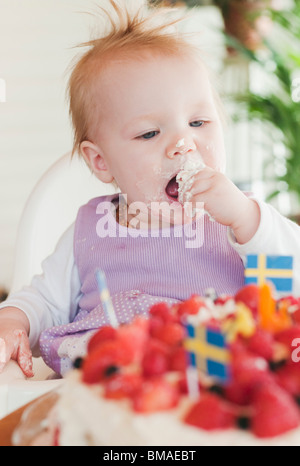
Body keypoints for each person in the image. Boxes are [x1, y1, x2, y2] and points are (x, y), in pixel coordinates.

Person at [0, 0, 300, 377]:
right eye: (149, 133)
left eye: (199, 121)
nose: (182, 143)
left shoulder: (243, 223)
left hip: (213, 384)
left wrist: (247, 218)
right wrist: (14, 321)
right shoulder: (89, 230)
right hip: (109, 388)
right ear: (101, 162)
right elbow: (43, 301)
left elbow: (292, 286)